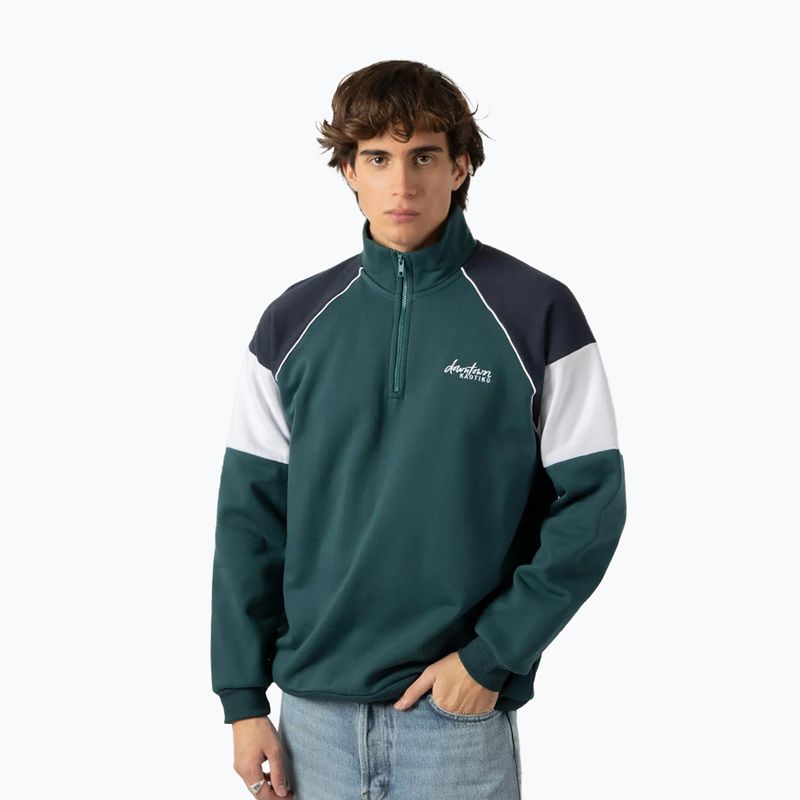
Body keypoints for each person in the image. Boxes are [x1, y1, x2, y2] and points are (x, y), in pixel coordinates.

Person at [210, 59, 627, 799]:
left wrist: (491, 656)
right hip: (312, 721)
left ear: (461, 166)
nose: (401, 184)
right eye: (378, 158)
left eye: (424, 157)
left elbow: (592, 507)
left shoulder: (537, 313)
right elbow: (250, 523)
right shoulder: (292, 323)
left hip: (456, 716)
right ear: (348, 170)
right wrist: (243, 700)